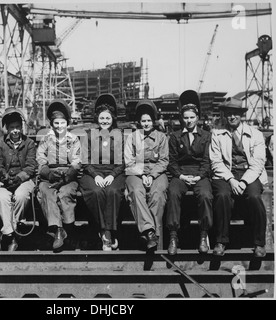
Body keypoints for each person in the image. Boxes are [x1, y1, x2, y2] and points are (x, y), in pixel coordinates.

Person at [210, 97, 268, 257]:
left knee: (255, 196)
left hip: (249, 174)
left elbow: (258, 163)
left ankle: (259, 244)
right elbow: (216, 161)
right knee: (222, 196)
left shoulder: (255, 134)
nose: (232, 117)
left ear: (241, 115)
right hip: (226, 174)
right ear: (225, 115)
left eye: (235, 113)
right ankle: (221, 241)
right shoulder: (217, 134)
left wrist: (243, 181)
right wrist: (231, 180)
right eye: (229, 114)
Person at [165, 90, 213, 255]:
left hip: (201, 174)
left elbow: (207, 160)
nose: (189, 121)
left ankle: (203, 235)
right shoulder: (175, 136)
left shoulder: (206, 136)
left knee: (206, 194)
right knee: (172, 192)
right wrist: (181, 176)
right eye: (186, 117)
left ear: (197, 118)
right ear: (182, 118)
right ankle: (173, 236)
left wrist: (200, 176)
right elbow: (171, 162)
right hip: (181, 173)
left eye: (192, 117)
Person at [79, 93, 125, 251]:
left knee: (113, 191)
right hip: (93, 172)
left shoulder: (118, 136)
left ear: (112, 119)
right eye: (102, 118)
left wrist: (112, 175)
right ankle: (106, 233)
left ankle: (109, 231)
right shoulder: (90, 135)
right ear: (97, 119)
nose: (104, 121)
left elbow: (121, 162)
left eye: (108, 118)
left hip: (114, 173)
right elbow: (85, 160)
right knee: (96, 192)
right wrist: (96, 175)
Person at [36, 99, 81, 252]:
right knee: (47, 193)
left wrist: (65, 178)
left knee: (65, 193)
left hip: (68, 176)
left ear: (67, 123)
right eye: (56, 123)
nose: (59, 127)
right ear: (52, 124)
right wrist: (49, 174)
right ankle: (57, 230)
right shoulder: (46, 140)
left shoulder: (73, 140)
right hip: (50, 176)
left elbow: (76, 162)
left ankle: (69, 228)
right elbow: (40, 160)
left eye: (62, 123)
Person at [124, 100, 169, 251]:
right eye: (143, 121)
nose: (146, 124)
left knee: (158, 193)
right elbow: (129, 162)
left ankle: (153, 235)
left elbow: (163, 161)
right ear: (138, 122)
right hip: (136, 172)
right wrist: (143, 174)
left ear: (153, 121)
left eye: (149, 120)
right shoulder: (132, 137)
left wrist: (152, 175)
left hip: (157, 172)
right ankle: (149, 231)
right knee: (136, 192)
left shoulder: (161, 137)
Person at [0, 108, 37, 251]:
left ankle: (9, 233)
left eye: (18, 127)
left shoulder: (29, 143)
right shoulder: (0, 143)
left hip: (23, 179)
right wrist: (3, 176)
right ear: (7, 129)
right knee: (1, 197)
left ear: (21, 127)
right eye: (12, 128)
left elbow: (31, 166)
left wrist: (19, 178)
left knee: (21, 196)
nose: (15, 131)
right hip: (5, 180)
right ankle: (11, 235)